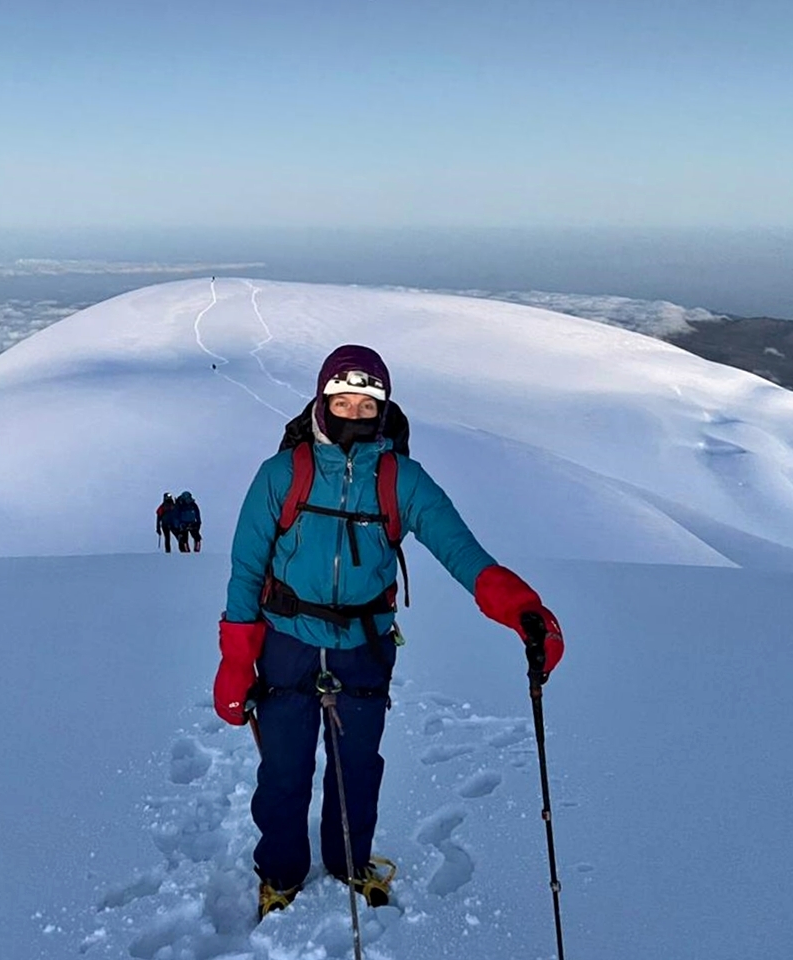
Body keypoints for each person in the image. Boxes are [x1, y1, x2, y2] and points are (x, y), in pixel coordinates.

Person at [213, 344, 564, 919]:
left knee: (357, 769)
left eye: (366, 403)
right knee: (283, 769)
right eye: (342, 401)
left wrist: (523, 609)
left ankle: (348, 861)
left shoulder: (402, 480)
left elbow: (461, 551)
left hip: (365, 646)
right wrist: (235, 663)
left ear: (384, 410)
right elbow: (247, 570)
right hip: (286, 643)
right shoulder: (283, 474)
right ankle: (280, 872)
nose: (354, 413)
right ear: (321, 402)